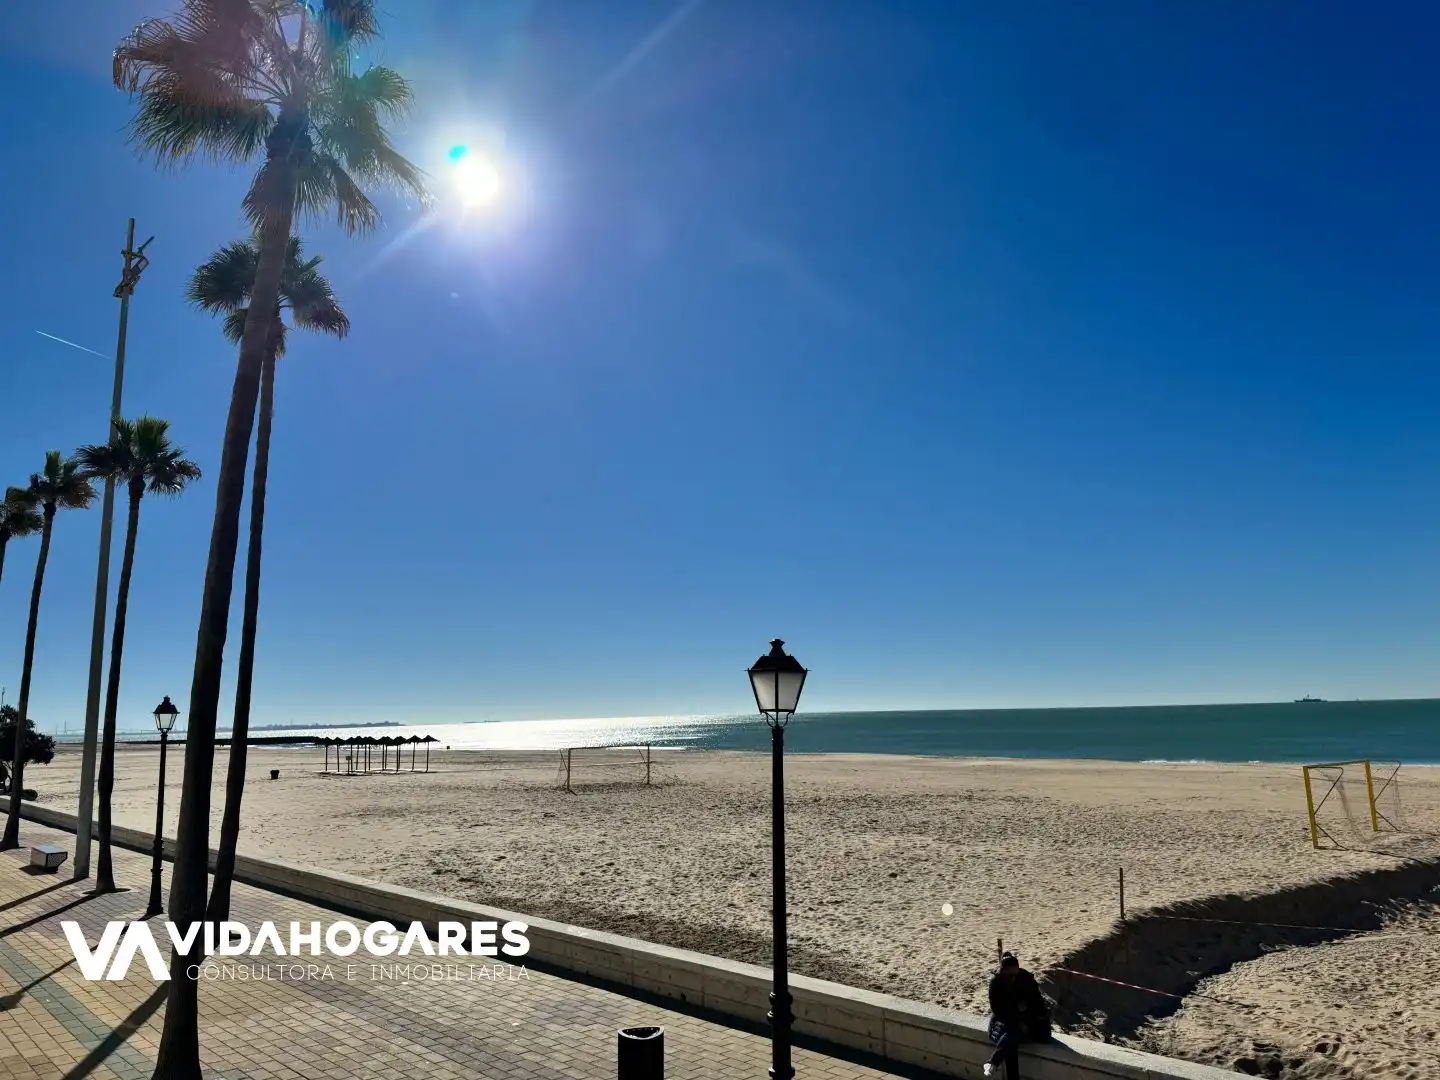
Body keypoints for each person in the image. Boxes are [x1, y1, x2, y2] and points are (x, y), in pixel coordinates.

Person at [984, 952, 1051, 1078]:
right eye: (1010, 976)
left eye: (1016, 974)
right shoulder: (996, 984)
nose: (1013, 978)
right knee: (1011, 1037)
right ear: (1002, 971)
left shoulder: (1025, 979)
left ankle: (993, 1062)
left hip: (1029, 1023)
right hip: (1005, 1023)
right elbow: (999, 1011)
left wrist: (1024, 1018)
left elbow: (1038, 1005)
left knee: (1011, 1035)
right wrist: (1018, 1019)